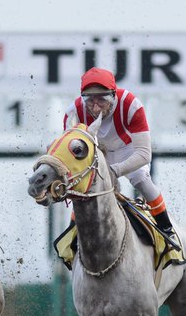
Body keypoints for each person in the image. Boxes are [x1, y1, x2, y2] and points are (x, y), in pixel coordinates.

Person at [65, 67, 179, 248]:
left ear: (113, 95)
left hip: (127, 148)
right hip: (97, 151)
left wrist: (113, 171)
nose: (95, 106)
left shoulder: (131, 104)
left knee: (142, 180)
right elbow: (70, 154)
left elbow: (144, 154)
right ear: (82, 97)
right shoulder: (74, 111)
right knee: (83, 191)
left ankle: (167, 231)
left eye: (102, 99)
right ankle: (71, 238)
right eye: (90, 99)